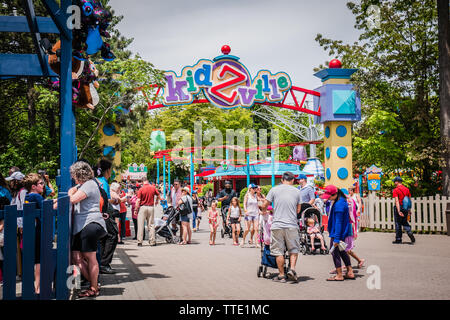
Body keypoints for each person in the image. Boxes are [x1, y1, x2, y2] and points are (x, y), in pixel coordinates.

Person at [68, 161, 108, 297]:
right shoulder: (83, 185)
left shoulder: (90, 184)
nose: (72, 177)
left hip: (90, 223)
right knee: (76, 256)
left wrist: (70, 191)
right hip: (82, 226)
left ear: (79, 174)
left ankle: (94, 287)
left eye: (73, 175)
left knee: (90, 257)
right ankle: (94, 284)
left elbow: (72, 199)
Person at [261, 172, 302, 283]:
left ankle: (281, 275)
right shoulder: (298, 192)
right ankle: (292, 269)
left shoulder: (274, 190)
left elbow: (265, 205)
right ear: (293, 180)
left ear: (282, 179)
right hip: (292, 225)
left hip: (277, 225)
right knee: (293, 249)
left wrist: (263, 210)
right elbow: (298, 210)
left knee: (278, 251)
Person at [321, 185, 356, 281]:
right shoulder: (340, 200)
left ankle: (339, 274)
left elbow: (338, 223)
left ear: (335, 194)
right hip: (340, 232)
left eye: (329, 196)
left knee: (335, 252)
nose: (328, 198)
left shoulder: (339, 205)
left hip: (338, 233)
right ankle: (350, 271)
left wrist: (336, 238)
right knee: (342, 251)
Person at [23, 173, 45, 294]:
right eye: (41, 183)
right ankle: (38, 285)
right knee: (39, 259)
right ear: (33, 186)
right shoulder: (37, 197)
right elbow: (46, 208)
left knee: (33, 258)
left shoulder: (27, 196)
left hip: (30, 230)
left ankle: (34, 285)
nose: (43, 185)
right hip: (39, 231)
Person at [135, 176, 160, 247]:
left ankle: (140, 242)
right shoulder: (153, 187)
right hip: (151, 207)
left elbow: (138, 200)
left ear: (142, 182)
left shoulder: (141, 189)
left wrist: (136, 209)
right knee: (151, 225)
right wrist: (157, 201)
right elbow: (158, 194)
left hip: (143, 207)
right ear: (147, 181)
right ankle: (152, 241)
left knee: (140, 225)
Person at [392, 176, 415, 244]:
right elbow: (409, 200)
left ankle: (398, 239)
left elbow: (397, 201)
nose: (394, 182)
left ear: (397, 182)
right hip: (405, 207)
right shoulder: (407, 189)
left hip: (399, 207)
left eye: (394, 181)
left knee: (398, 223)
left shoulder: (395, 190)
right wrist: (409, 209)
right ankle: (409, 231)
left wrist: (398, 211)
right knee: (404, 221)